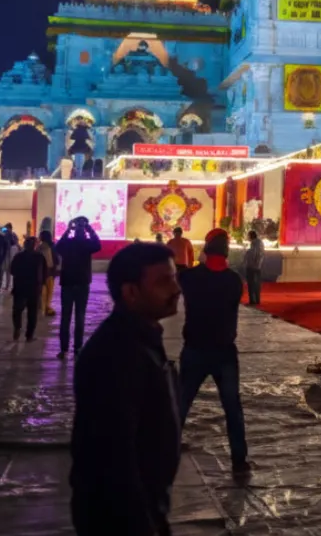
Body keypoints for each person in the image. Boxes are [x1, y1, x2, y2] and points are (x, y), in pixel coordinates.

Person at [70, 241, 182, 536]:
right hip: (121, 519)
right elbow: (113, 456)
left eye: (175, 278)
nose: (176, 290)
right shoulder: (116, 354)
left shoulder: (143, 340)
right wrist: (141, 524)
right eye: (163, 281)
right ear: (130, 292)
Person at [177, 229, 251, 478]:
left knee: (180, 404)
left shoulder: (189, 278)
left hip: (195, 348)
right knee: (232, 407)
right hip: (224, 351)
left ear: (206, 252)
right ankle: (239, 460)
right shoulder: (233, 280)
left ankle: (162, 451)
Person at [56, 216, 102, 360]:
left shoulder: (68, 243)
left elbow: (58, 247)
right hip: (82, 283)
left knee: (65, 317)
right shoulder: (87, 244)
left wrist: (68, 229)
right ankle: (78, 348)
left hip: (68, 283)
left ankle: (64, 349)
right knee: (80, 316)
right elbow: (98, 244)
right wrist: (90, 229)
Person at [9, 236, 47, 342]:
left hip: (20, 288)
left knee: (17, 310)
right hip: (34, 289)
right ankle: (29, 336)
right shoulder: (39, 257)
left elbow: (12, 271)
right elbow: (44, 273)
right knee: (32, 313)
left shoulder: (18, 257)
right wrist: (42, 284)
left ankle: (17, 327)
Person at [37, 230, 58, 316]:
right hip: (51, 273)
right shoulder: (53, 246)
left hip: (43, 273)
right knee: (49, 292)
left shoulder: (41, 247)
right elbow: (56, 260)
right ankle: (47, 307)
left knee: (43, 292)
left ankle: (43, 308)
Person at [244, 231, 265, 306]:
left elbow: (253, 254)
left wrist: (246, 252)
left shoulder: (254, 243)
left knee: (251, 283)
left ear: (250, 236)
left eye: (248, 236)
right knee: (257, 284)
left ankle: (252, 300)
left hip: (252, 266)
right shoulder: (260, 243)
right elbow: (261, 254)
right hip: (258, 266)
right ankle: (257, 300)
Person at [2, 223, 20, 291]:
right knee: (12, 270)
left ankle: (7, 286)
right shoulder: (14, 234)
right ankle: (12, 286)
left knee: (8, 271)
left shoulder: (7, 234)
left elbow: (6, 244)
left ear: (9, 228)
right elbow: (17, 243)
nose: (6, 230)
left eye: (6, 228)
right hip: (14, 251)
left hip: (10, 252)